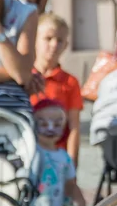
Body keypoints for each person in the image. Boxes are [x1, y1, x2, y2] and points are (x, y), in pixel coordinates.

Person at [27, 99, 86, 206]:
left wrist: (79, 201)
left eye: (58, 124)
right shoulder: (32, 152)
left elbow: (70, 183)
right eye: (44, 124)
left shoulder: (64, 157)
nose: (51, 128)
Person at [31, 13, 83, 165]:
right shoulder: (24, 78)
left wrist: (72, 163)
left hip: (57, 156)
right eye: (48, 38)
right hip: (29, 153)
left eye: (59, 40)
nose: (54, 44)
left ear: (66, 45)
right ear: (35, 39)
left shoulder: (70, 82)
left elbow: (74, 127)